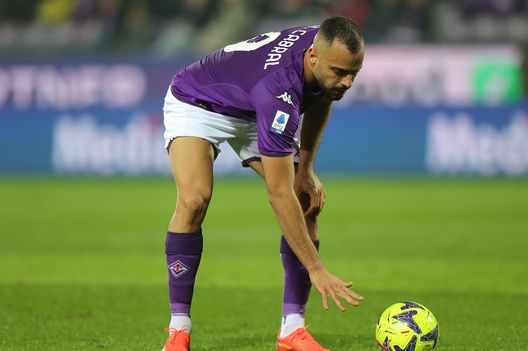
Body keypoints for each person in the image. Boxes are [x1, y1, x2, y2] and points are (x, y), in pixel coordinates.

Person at [162, 16, 365, 351]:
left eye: (353, 73)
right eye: (340, 72)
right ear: (313, 57)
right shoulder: (279, 90)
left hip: (253, 107)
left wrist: (307, 168)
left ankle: (292, 330)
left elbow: (323, 97)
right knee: (195, 200)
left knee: (306, 199)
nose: (347, 82)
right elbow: (277, 194)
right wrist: (316, 269)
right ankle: (178, 329)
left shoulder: (326, 48)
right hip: (198, 102)